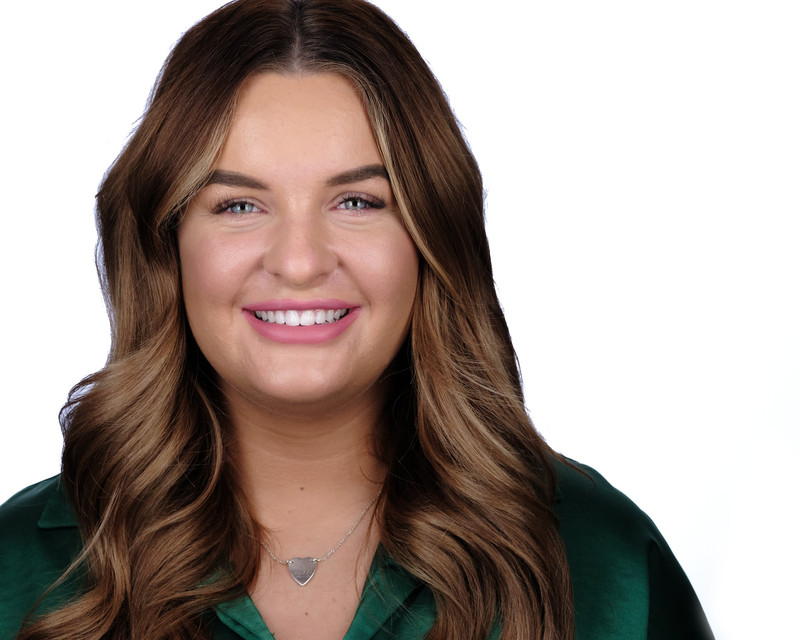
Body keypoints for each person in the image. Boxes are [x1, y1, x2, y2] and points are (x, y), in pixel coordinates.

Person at [0, 1, 714, 638]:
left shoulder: (605, 564)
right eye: (239, 205)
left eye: (358, 202)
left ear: (430, 238)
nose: (299, 261)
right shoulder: (17, 568)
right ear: (167, 245)